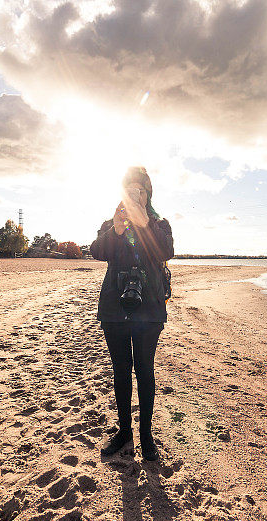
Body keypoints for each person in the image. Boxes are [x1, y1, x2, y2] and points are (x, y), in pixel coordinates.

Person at [90, 166, 174, 461]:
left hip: (149, 310)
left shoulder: (160, 224)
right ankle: (125, 431)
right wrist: (117, 229)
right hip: (114, 308)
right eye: (130, 189)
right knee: (121, 372)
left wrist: (145, 223)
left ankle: (146, 434)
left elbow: (165, 251)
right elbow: (97, 251)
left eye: (141, 190)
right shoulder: (111, 224)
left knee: (145, 371)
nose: (136, 194)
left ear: (148, 193)